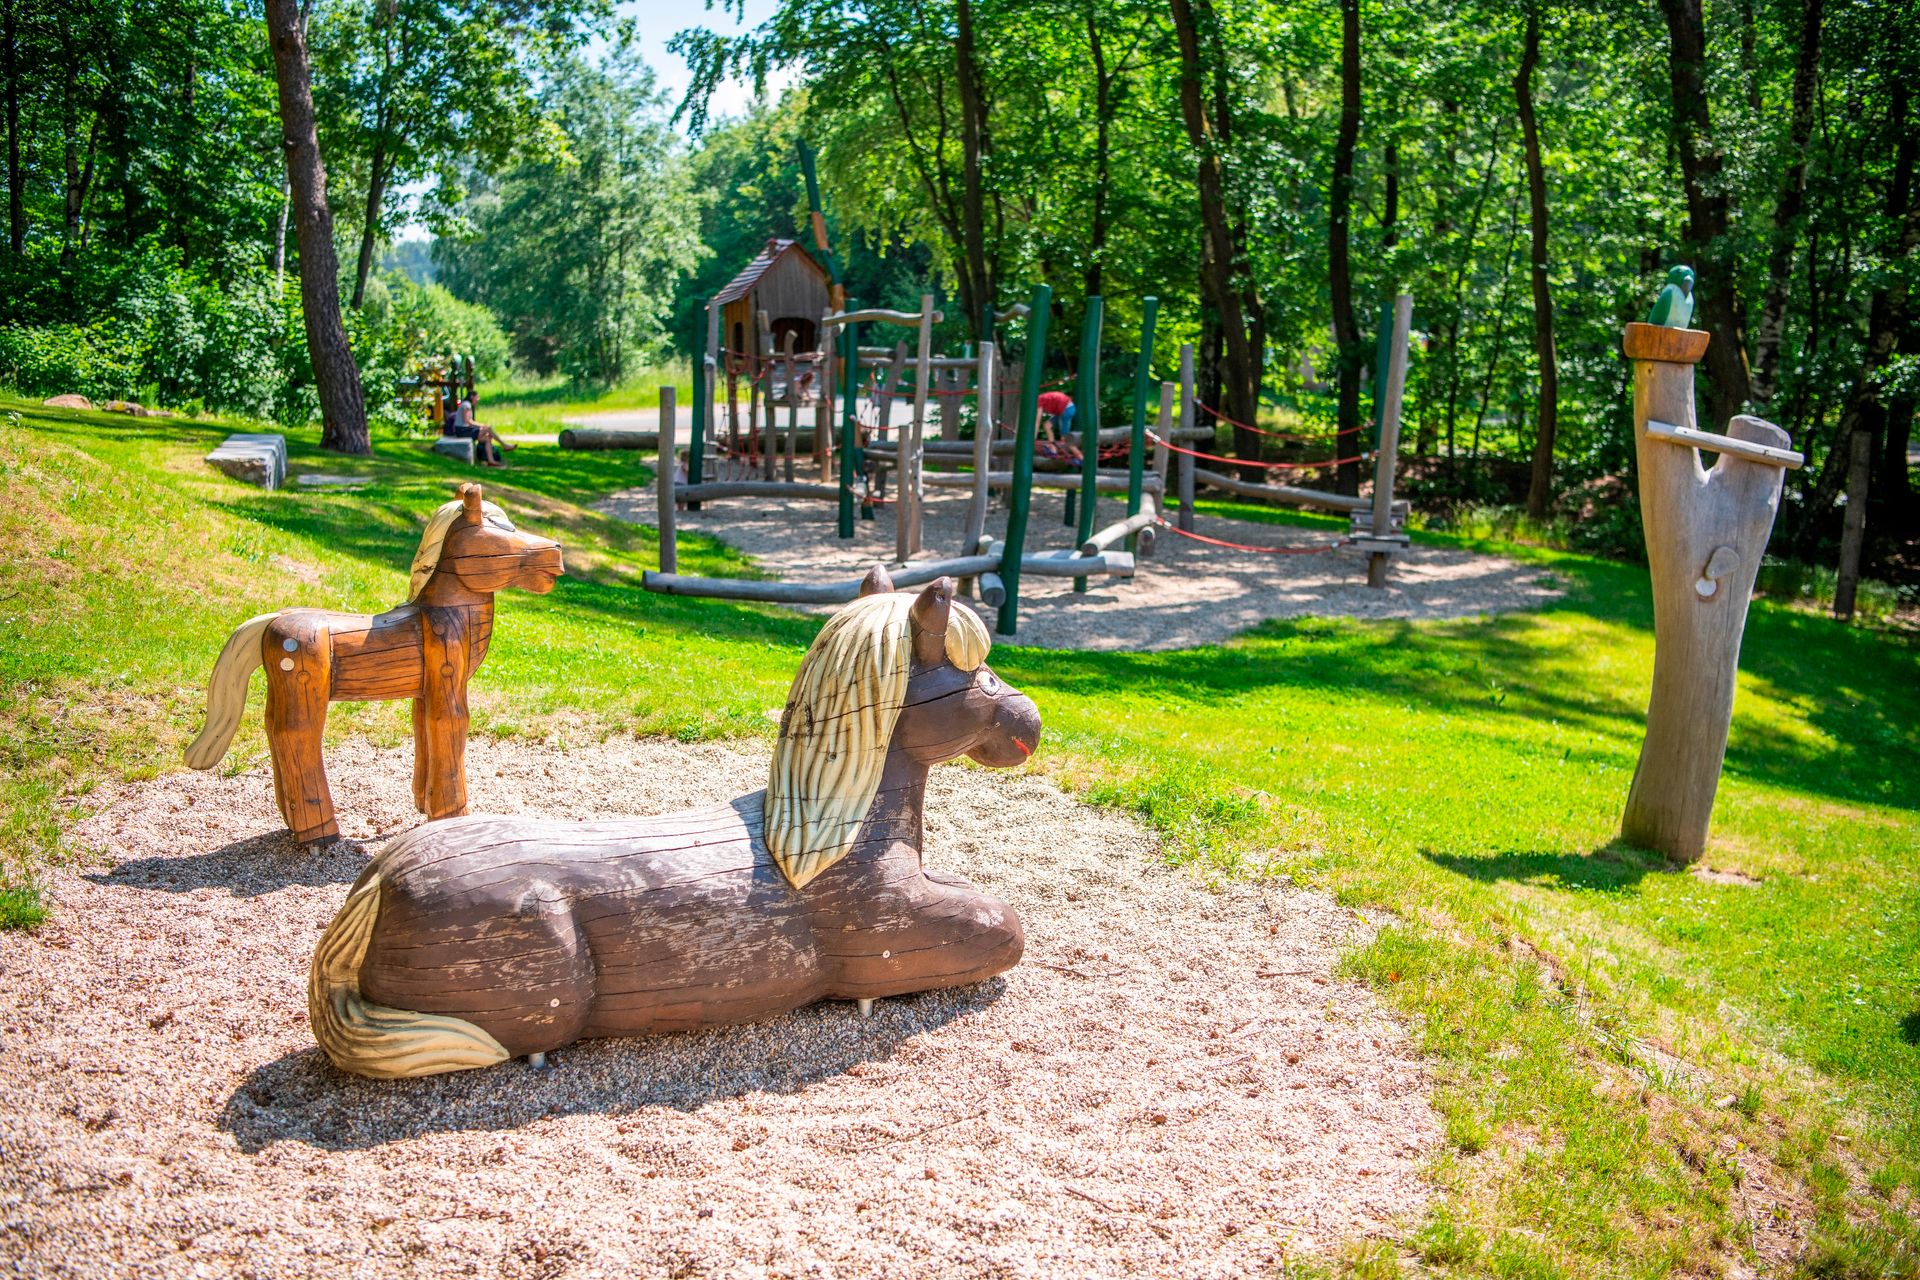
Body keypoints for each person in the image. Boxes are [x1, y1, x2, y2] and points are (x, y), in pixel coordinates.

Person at [441, 391, 504, 466]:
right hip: (462, 431)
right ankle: (504, 445)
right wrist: (483, 425)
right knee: (488, 428)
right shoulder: (466, 405)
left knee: (487, 438)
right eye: (477, 397)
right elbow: (467, 421)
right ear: (471, 397)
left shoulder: (466, 404)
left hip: (463, 430)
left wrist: (481, 426)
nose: (478, 399)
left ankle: (491, 460)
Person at [1034, 390, 1080, 461]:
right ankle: (1052, 448)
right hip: (1065, 409)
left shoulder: (1038, 401)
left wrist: (1033, 438)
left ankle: (1081, 457)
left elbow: (1037, 421)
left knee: (1064, 438)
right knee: (1047, 425)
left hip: (1066, 409)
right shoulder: (1042, 398)